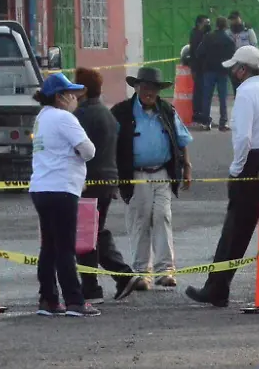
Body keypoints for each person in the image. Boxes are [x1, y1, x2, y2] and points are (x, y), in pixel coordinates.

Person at [186, 45, 259, 308]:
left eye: (234, 69)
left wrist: (236, 170)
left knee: (236, 229)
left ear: (241, 69)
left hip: (252, 163)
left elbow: (243, 139)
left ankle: (217, 287)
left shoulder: (246, 93)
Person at [110, 67, 194, 290]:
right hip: (134, 176)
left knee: (162, 217)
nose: (149, 92)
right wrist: (112, 177)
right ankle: (141, 273)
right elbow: (110, 145)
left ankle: (165, 271)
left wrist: (186, 167)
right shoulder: (121, 112)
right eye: (145, 87)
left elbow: (182, 140)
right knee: (140, 221)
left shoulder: (167, 111)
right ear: (136, 87)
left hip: (162, 173)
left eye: (153, 88)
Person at [29, 72, 101, 317]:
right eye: (70, 93)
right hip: (63, 188)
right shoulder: (64, 118)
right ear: (60, 97)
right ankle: (75, 300)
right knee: (65, 247)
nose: (75, 97)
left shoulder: (42, 117)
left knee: (48, 246)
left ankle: (48, 299)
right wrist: (72, 115)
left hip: (41, 187)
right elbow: (89, 150)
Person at [72, 68, 141, 304]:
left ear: (83, 90)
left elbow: (76, 149)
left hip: (89, 181)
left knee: (85, 234)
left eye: (75, 86)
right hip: (107, 178)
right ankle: (114, 278)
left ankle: (101, 284)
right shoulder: (105, 113)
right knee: (94, 231)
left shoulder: (82, 115)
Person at [195, 16, 236, 131]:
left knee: (207, 97)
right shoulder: (229, 40)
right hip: (223, 71)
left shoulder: (208, 37)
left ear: (216, 25)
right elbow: (233, 57)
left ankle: (206, 122)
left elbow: (199, 52)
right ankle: (223, 122)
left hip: (209, 70)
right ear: (225, 26)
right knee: (223, 98)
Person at [188, 15, 211, 127]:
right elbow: (194, 53)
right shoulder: (196, 35)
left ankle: (202, 115)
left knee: (204, 92)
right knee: (199, 92)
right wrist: (194, 69)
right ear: (199, 24)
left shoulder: (204, 34)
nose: (208, 25)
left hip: (205, 67)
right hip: (199, 67)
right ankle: (198, 115)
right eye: (206, 23)